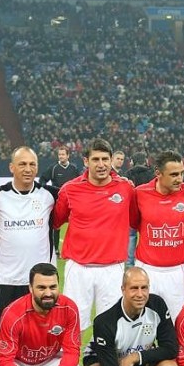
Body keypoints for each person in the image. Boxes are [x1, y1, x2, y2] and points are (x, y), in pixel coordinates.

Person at [0, 146, 58, 366]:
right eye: (23, 164)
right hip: (10, 280)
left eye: (33, 164)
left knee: (46, 338)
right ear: (11, 167)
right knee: (10, 341)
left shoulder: (50, 195)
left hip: (43, 283)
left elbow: (63, 216)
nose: (28, 169)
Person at [53, 138, 137, 333]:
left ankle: (104, 364)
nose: (101, 165)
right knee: (73, 325)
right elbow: (57, 220)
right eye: (96, 159)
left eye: (105, 159)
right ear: (86, 161)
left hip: (112, 269)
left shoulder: (125, 188)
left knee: (111, 327)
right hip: (79, 268)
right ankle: (72, 364)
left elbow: (135, 220)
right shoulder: (70, 189)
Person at [133, 150, 184, 320]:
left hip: (177, 271)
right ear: (158, 173)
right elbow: (133, 221)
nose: (180, 179)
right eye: (174, 174)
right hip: (146, 269)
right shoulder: (140, 193)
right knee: (142, 324)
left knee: (177, 323)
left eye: (182, 173)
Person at [39, 145, 80, 253]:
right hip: (58, 201)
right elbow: (43, 179)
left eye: (63, 154)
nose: (61, 156)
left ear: (68, 155)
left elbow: (80, 182)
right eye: (59, 154)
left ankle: (74, 249)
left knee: (75, 224)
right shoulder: (53, 168)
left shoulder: (74, 168)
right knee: (56, 225)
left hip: (72, 201)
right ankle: (55, 249)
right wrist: (45, 189)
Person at [124, 151, 153, 266]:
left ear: (133, 161)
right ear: (145, 160)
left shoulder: (129, 173)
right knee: (148, 236)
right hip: (148, 208)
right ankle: (147, 261)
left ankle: (130, 263)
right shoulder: (151, 173)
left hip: (132, 208)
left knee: (131, 235)